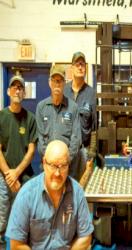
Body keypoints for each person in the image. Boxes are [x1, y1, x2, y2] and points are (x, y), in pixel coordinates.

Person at [5, 140, 94, 249]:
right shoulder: (27, 194)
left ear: (68, 165)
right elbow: (16, 244)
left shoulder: (77, 193)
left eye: (63, 166)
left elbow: (85, 236)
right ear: (44, 163)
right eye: (53, 166)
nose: (57, 173)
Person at [0, 74, 37, 244]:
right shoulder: (1, 117)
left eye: (20, 88)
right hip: (3, 176)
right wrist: (9, 174)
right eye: (14, 87)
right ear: (8, 91)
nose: (17, 90)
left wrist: (17, 173)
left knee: (24, 217)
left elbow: (31, 151)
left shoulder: (30, 118)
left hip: (24, 176)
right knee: (2, 216)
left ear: (24, 93)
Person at [36, 64, 82, 179]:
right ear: (49, 82)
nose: (57, 84)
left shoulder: (73, 108)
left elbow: (76, 139)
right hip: (48, 166)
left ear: (64, 83)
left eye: (60, 81)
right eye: (54, 80)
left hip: (68, 167)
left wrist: (64, 161)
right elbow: (40, 139)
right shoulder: (41, 107)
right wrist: (51, 161)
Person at [64, 52, 97, 182]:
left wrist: (91, 155)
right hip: (65, 149)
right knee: (64, 189)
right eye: (77, 64)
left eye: (82, 64)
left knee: (82, 191)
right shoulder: (64, 91)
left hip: (83, 151)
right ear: (72, 68)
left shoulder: (91, 93)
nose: (80, 67)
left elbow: (94, 127)